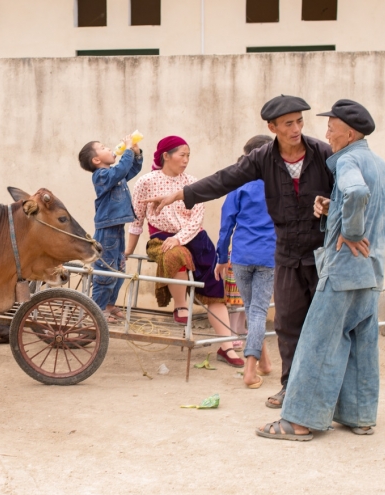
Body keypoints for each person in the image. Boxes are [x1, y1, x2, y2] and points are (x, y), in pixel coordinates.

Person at [143, 95, 334, 406]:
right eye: (288, 123)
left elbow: (345, 188)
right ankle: (291, 389)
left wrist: (335, 209)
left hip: (319, 252)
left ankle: (325, 392)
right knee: (286, 323)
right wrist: (182, 193)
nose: (297, 128)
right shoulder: (262, 158)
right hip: (284, 254)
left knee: (323, 323)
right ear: (272, 127)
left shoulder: (323, 153)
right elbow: (223, 180)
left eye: (300, 121)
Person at [257, 99, 385, 441]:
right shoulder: (379, 164)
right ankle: (359, 417)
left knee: (317, 343)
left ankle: (298, 422)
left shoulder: (346, 161)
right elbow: (373, 197)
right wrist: (335, 210)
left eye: (331, 127)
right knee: (362, 344)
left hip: (343, 271)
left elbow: (358, 193)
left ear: (349, 133)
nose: (326, 133)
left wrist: (350, 231)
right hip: (371, 272)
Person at [127, 136, 243, 367]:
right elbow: (137, 219)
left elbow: (197, 218)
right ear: (166, 156)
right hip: (160, 237)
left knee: (215, 283)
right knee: (175, 254)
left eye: (189, 155)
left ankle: (227, 346)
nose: (186, 160)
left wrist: (179, 237)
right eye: (182, 154)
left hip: (195, 237)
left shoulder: (192, 182)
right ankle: (180, 307)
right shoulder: (146, 182)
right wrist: (128, 249)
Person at [215, 134, 276, 389]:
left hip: (240, 256)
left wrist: (221, 258)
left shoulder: (238, 186)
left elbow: (226, 224)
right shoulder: (279, 185)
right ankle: (250, 371)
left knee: (252, 308)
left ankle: (265, 363)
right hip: (269, 256)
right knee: (257, 310)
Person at [78, 135, 143, 320]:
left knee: (119, 269)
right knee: (105, 271)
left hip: (117, 228)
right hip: (106, 231)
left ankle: (109, 304)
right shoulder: (101, 176)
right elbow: (121, 169)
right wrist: (128, 150)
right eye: (103, 147)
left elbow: (129, 169)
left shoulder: (115, 175)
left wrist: (136, 155)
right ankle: (96, 310)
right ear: (96, 160)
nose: (109, 148)